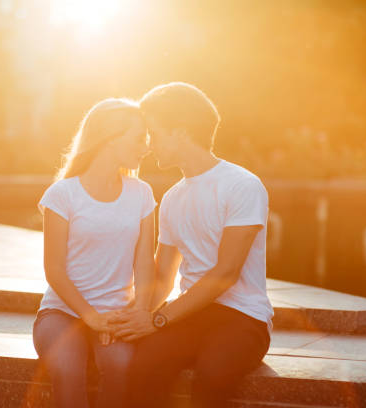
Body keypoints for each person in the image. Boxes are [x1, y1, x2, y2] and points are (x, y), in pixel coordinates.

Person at [110, 83, 274, 408]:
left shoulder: (243, 186)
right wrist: (133, 315)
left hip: (244, 318)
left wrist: (157, 320)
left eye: (154, 134)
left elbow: (225, 273)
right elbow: (162, 277)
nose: (148, 145)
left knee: (212, 375)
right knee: (142, 367)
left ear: (180, 132)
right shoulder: (172, 198)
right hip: (191, 315)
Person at [32, 98, 157, 408]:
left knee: (120, 366)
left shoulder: (142, 193)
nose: (147, 147)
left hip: (118, 316)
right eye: (139, 137)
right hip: (62, 313)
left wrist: (138, 312)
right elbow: (55, 271)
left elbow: (144, 263)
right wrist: (91, 317)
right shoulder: (62, 195)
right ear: (110, 137)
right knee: (68, 368)